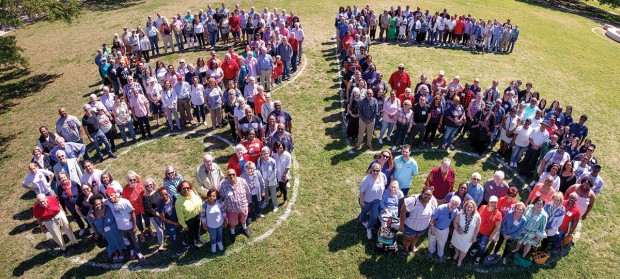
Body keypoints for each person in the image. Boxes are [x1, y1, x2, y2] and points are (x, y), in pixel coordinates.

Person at [104, 187, 145, 262]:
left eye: (112, 195)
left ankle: (138, 252)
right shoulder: (108, 202)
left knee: (134, 240)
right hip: (120, 228)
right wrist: (92, 211)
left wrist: (134, 226)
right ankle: (131, 250)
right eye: (108, 196)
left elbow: (132, 213)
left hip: (129, 226)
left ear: (115, 194)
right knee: (126, 240)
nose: (110, 197)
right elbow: (98, 202)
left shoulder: (125, 202)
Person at [87, 195, 126, 262]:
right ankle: (115, 252)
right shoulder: (91, 213)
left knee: (118, 239)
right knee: (109, 242)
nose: (98, 205)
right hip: (102, 231)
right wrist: (96, 232)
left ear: (102, 202)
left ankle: (121, 251)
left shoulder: (108, 208)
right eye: (96, 205)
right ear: (93, 205)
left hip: (114, 228)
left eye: (100, 203)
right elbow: (91, 223)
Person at [400, 187, 438, 256]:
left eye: (429, 195)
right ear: (422, 193)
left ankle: (412, 246)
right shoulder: (413, 200)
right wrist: (401, 225)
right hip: (410, 226)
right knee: (408, 239)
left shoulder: (433, 201)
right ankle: (405, 248)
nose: (427, 196)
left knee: (417, 237)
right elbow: (403, 212)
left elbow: (434, 212)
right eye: (425, 194)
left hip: (423, 226)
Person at [219, 168, 252, 243]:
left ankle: (244, 228)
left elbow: (248, 192)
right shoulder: (223, 185)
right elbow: (221, 197)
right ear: (227, 176)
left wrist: (248, 203)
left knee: (243, 219)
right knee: (232, 222)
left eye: (233, 174)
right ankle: (232, 232)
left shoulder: (242, 181)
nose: (232, 176)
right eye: (229, 175)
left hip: (243, 206)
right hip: (231, 209)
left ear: (236, 174)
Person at [359, 162, 387, 240]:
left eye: (377, 171)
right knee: (364, 212)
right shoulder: (367, 179)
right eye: (374, 170)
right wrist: (361, 202)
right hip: (366, 200)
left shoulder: (383, 176)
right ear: (371, 170)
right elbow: (361, 191)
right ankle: (363, 220)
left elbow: (384, 186)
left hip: (377, 200)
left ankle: (369, 228)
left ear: (380, 170)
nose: (375, 172)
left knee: (374, 216)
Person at [472, 195, 502, 264]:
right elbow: (476, 216)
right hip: (478, 230)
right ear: (489, 202)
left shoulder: (498, 214)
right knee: (476, 241)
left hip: (486, 234)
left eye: (495, 202)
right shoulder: (483, 207)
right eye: (492, 202)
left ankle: (478, 257)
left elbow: (497, 227)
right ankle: (475, 249)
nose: (493, 204)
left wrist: (492, 235)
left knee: (482, 247)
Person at [428, 196, 460, 262]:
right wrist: (432, 229)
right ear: (450, 201)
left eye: (456, 205)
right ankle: (431, 251)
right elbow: (432, 220)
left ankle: (440, 254)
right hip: (434, 227)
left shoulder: (456, 211)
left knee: (442, 243)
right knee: (432, 240)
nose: (454, 206)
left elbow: (456, 221)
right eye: (453, 203)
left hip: (445, 229)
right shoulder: (441, 208)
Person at [451, 199, 480, 267]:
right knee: (457, 245)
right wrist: (458, 228)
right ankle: (456, 254)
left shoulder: (477, 216)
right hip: (458, 234)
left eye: (471, 207)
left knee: (464, 249)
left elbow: (477, 228)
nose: (469, 209)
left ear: (474, 208)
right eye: (468, 206)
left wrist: (474, 236)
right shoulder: (461, 213)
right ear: (465, 206)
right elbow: (455, 222)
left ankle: (460, 260)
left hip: (468, 237)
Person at [157, 187, 186, 256]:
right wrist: (174, 223)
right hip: (170, 223)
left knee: (180, 233)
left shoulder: (173, 197)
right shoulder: (160, 205)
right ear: (159, 195)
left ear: (168, 193)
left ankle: (182, 243)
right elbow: (163, 219)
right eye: (162, 195)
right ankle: (177, 249)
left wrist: (180, 219)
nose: (164, 196)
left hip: (178, 219)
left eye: (166, 194)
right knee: (174, 236)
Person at [175, 181, 202, 249]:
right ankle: (193, 244)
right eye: (184, 188)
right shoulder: (178, 202)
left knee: (197, 228)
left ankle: (198, 238)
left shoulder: (192, 192)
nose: (186, 189)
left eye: (188, 188)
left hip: (197, 215)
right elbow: (180, 217)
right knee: (191, 232)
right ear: (180, 189)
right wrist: (184, 226)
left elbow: (198, 199)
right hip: (189, 220)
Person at [201, 189, 226, 253]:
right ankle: (213, 244)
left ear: (216, 196)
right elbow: (203, 215)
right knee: (213, 236)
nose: (211, 197)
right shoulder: (204, 204)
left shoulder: (219, 202)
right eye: (210, 195)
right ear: (208, 196)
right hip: (210, 225)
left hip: (220, 223)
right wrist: (204, 224)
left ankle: (219, 242)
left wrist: (225, 220)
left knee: (220, 234)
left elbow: (223, 211)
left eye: (213, 196)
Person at [142, 178, 164, 250]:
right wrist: (158, 214)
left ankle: (164, 236)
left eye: (151, 185)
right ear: (145, 187)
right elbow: (148, 209)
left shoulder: (158, 191)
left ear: (153, 184)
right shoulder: (145, 196)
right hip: (154, 215)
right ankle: (161, 244)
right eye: (147, 185)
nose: (149, 186)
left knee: (163, 226)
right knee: (159, 229)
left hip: (162, 212)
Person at [272, 141, 291, 207]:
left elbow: (287, 166)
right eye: (277, 148)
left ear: (283, 147)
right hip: (277, 174)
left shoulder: (287, 155)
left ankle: (285, 200)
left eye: (281, 148)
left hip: (284, 174)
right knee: (280, 184)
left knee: (284, 186)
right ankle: (281, 193)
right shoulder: (274, 153)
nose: (279, 149)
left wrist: (284, 175)